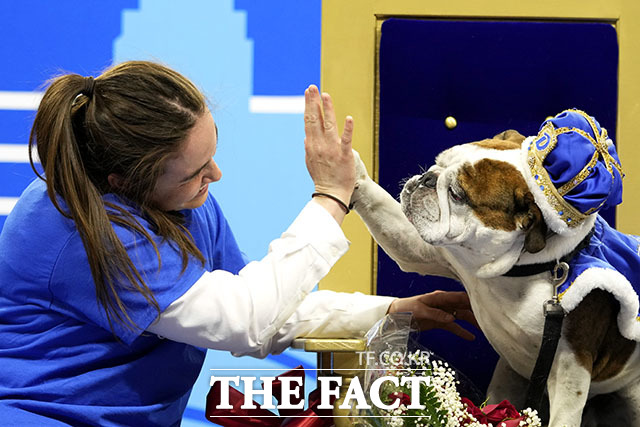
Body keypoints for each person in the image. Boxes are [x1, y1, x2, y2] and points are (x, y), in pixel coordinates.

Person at [0, 61, 476, 425]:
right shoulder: (78, 229)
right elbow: (243, 323)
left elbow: (259, 303)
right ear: (123, 179)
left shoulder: (180, 201)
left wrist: (390, 310)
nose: (216, 175)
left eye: (212, 155)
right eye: (194, 172)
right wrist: (331, 196)